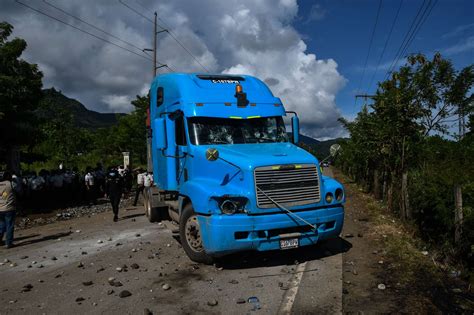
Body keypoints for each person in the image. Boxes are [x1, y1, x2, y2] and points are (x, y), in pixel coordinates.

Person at [0, 172, 17, 248]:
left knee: (1, 225)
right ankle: (8, 243)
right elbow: (18, 190)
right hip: (9, 208)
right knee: (9, 225)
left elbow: (3, 194)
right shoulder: (11, 183)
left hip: (0, 208)